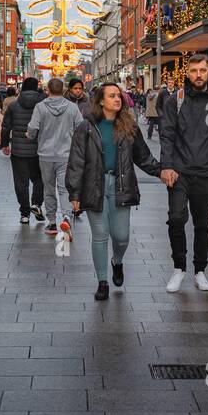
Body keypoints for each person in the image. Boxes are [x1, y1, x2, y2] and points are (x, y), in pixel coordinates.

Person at [67, 82, 162, 301]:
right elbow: (76, 161)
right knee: (100, 236)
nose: (118, 99)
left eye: (119, 96)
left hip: (121, 185)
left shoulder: (128, 125)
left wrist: (161, 171)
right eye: (112, 96)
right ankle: (102, 282)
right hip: (94, 185)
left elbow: (143, 156)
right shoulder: (87, 127)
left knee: (121, 236)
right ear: (101, 101)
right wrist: (74, 194)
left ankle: (117, 261)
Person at [157, 54, 208, 293]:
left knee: (202, 223)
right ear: (188, 73)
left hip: (207, 171)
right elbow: (167, 135)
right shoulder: (177, 100)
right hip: (179, 172)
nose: (198, 75)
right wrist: (166, 166)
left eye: (203, 70)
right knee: (176, 218)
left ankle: (199, 270)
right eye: (194, 71)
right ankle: (178, 268)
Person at [27, 77, 85, 234]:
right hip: (66, 154)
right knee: (65, 187)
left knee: (49, 188)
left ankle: (52, 222)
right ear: (63, 89)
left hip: (45, 154)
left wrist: (30, 135)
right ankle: (66, 217)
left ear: (48, 90)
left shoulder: (40, 107)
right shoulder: (72, 107)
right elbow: (81, 127)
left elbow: (32, 128)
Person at [1, 77, 48, 224]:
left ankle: (25, 213)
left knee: (21, 182)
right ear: (36, 88)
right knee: (39, 179)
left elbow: (5, 126)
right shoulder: (43, 105)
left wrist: (4, 144)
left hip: (19, 151)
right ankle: (36, 204)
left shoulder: (14, 106)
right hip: (39, 150)